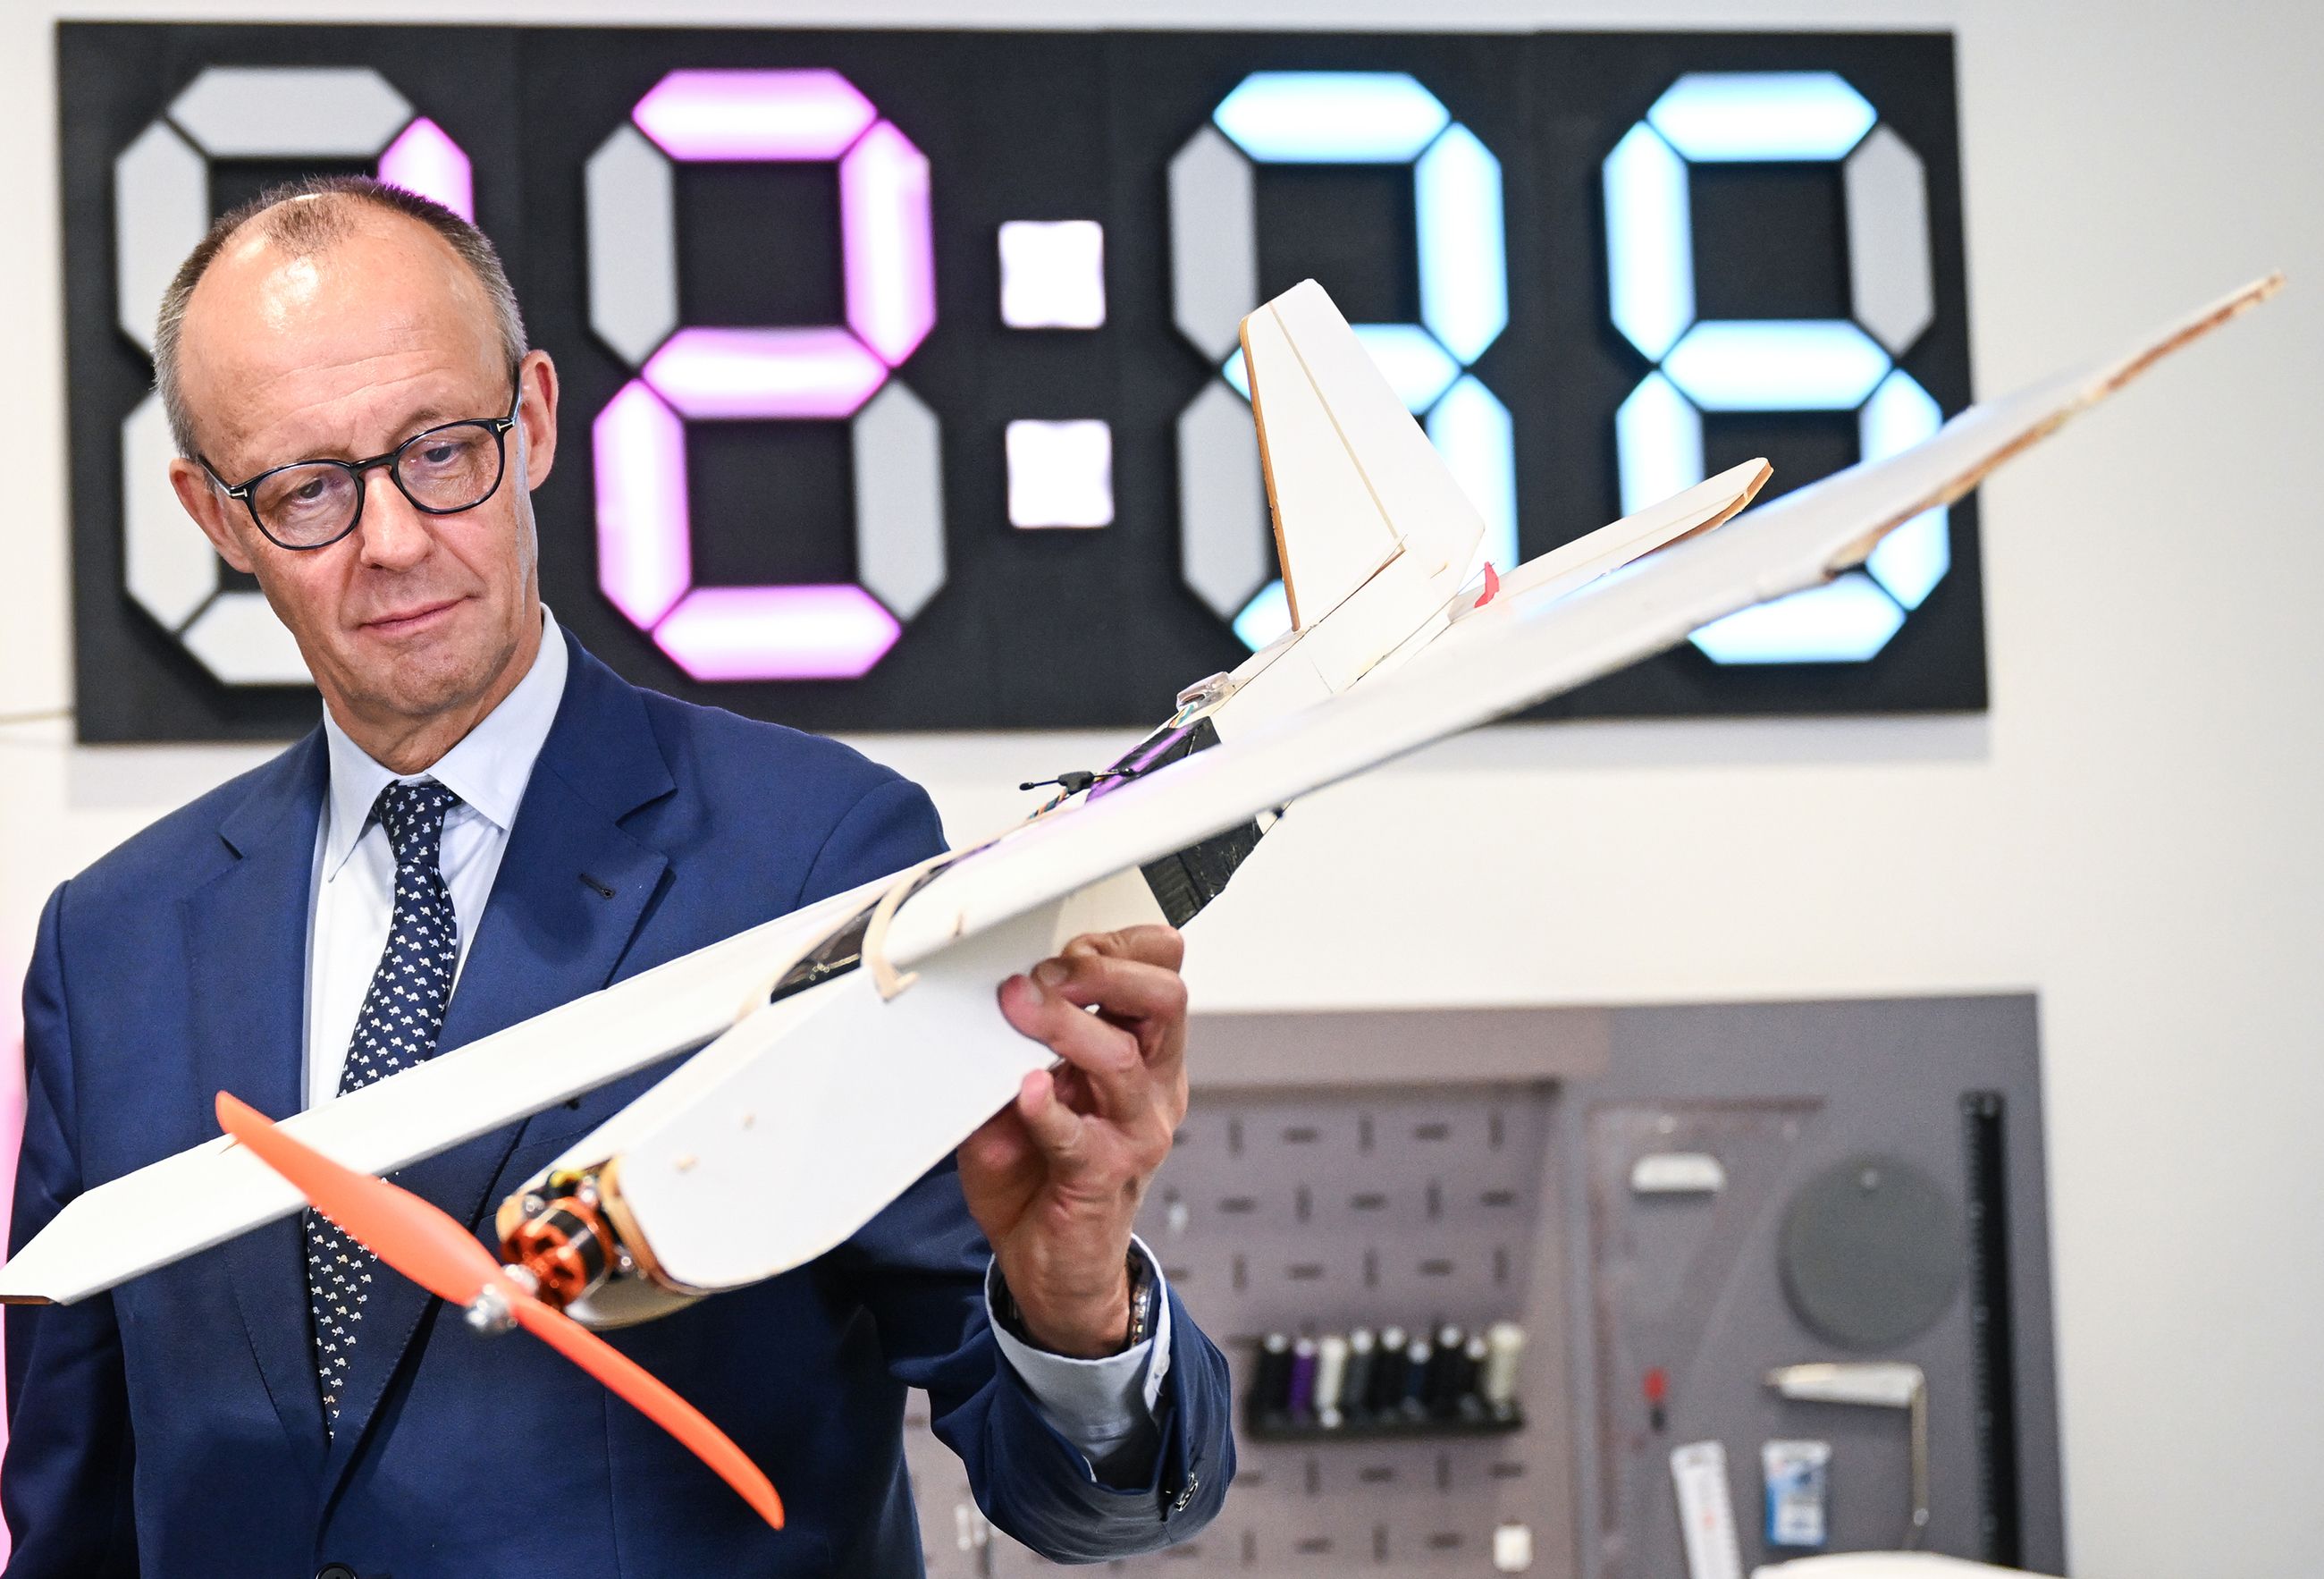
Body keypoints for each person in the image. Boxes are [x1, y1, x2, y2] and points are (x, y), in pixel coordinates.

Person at [4, 178, 1232, 1576]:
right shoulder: (112, 946)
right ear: (217, 517)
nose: (392, 539)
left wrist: (1075, 1291)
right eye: (308, 489)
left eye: (441, 451)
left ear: (532, 419)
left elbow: (1071, 1492)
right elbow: (72, 1518)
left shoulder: (819, 862)